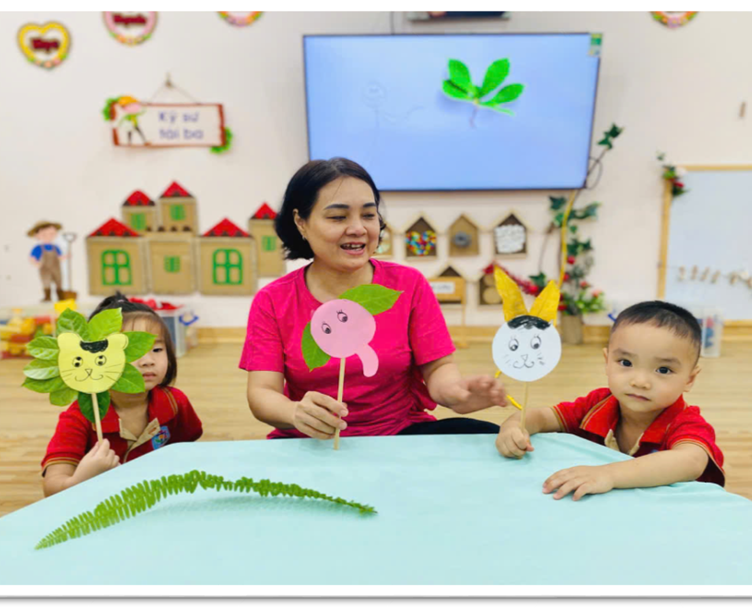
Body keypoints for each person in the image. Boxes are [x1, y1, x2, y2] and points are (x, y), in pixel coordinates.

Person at [241, 157, 507, 440]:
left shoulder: (408, 285)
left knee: (489, 438)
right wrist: (294, 412)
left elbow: (439, 367)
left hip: (399, 434)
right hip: (311, 441)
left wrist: (455, 393)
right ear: (301, 223)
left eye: (368, 215)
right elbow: (262, 392)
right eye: (338, 217)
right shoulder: (273, 300)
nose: (359, 228)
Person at [496, 300, 725, 500]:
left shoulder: (686, 422)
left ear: (689, 379)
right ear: (607, 361)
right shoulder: (597, 404)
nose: (640, 381)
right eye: (626, 363)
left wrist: (608, 474)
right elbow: (543, 417)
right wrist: (514, 426)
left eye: (663, 370)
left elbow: (691, 461)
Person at [41, 293, 202, 496]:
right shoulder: (80, 417)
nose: (148, 361)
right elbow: (51, 489)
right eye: (130, 352)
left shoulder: (175, 402)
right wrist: (81, 479)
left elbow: (186, 453)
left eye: (157, 349)